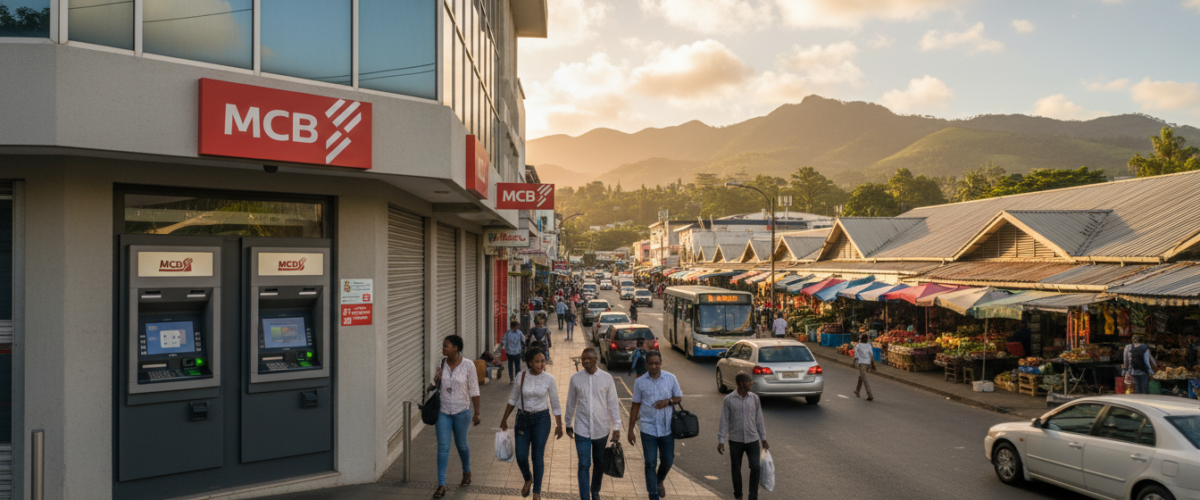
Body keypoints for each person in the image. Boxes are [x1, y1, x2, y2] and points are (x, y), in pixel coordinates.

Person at [500, 349, 564, 500]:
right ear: (529, 362)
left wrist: (559, 424)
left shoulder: (549, 379)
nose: (541, 364)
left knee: (537, 456)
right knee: (521, 456)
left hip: (542, 420)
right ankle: (528, 478)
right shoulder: (521, 376)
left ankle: (537, 491)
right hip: (523, 419)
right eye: (537, 361)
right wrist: (504, 419)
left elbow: (555, 403)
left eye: (543, 361)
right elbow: (513, 398)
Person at [427, 335, 481, 498]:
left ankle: (466, 472)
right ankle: (441, 485)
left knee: (462, 445)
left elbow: (474, 389)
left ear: (456, 348)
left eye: (446, 346)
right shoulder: (442, 363)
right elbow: (436, 385)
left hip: (462, 411)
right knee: (443, 447)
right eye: (443, 346)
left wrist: (477, 413)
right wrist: (435, 381)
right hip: (443, 411)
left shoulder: (468, 365)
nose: (443, 349)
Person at [565, 348, 622, 500]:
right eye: (583, 359)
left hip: (601, 430)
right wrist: (567, 422)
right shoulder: (575, 378)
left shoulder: (606, 378)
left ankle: (595, 490)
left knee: (599, 462)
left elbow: (613, 404)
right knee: (584, 464)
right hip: (581, 429)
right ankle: (585, 497)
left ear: (595, 359)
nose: (585, 361)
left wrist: (616, 427)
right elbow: (571, 402)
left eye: (588, 359)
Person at [628, 351, 682, 500]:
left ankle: (659, 480)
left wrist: (668, 402)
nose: (654, 366)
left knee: (668, 460)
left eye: (656, 363)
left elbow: (678, 397)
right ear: (646, 365)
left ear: (661, 363)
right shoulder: (640, 382)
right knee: (650, 463)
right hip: (647, 429)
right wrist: (630, 430)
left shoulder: (671, 378)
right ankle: (653, 494)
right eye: (651, 363)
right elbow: (635, 405)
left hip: (667, 429)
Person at [717, 373, 768, 500]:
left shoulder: (755, 398)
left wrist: (764, 439)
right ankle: (738, 495)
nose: (751, 383)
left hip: (752, 439)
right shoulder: (729, 399)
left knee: (755, 467)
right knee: (736, 469)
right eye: (749, 382)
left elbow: (759, 420)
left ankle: (753, 496)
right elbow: (724, 421)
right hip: (735, 440)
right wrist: (721, 440)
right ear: (741, 384)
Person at [853, 333, 876, 401]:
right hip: (868, 363)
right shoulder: (869, 345)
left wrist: (854, 362)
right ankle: (857, 390)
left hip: (861, 363)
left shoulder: (858, 346)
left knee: (865, 378)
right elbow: (871, 354)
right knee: (861, 376)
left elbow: (856, 355)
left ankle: (869, 394)